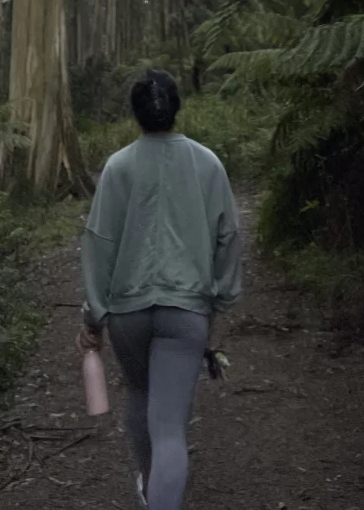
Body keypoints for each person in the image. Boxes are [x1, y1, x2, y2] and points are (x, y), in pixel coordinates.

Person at [78, 68, 242, 510]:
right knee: (170, 425)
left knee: (140, 394)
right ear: (176, 109)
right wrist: (220, 299)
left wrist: (93, 316)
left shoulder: (117, 167)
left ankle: (154, 489)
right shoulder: (208, 163)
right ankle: (161, 496)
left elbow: (98, 242)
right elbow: (229, 235)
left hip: (128, 313)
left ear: (136, 115)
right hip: (187, 309)